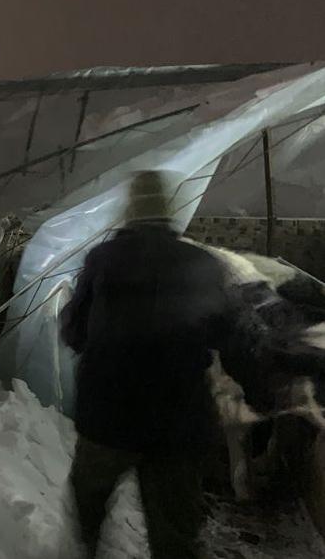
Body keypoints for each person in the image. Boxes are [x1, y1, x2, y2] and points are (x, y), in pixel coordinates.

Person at [60, 170, 244, 559]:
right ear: (168, 211)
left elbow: (74, 331)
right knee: (174, 530)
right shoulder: (201, 263)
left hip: (108, 414)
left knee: (88, 503)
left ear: (130, 210)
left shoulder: (103, 260)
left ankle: (86, 550)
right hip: (179, 419)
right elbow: (229, 334)